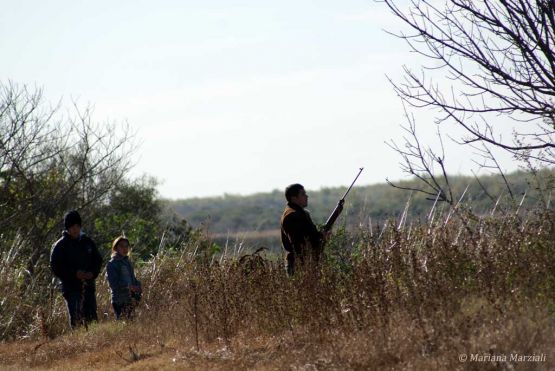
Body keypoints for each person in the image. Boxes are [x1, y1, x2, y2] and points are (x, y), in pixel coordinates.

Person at [50, 210, 103, 328]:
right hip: (71, 288)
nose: (75, 229)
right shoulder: (60, 245)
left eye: (77, 226)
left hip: (88, 286)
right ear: (67, 228)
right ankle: (77, 343)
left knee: (92, 317)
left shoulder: (88, 242)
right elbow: (56, 267)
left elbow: (98, 260)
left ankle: (95, 342)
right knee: (76, 317)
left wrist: (92, 273)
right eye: (72, 226)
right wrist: (74, 274)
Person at [280, 183, 332, 275]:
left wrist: (322, 237)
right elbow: (300, 243)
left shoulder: (300, 213)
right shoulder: (291, 215)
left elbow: (310, 236)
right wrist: (320, 237)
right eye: (303, 194)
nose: (306, 196)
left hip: (306, 262)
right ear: (294, 198)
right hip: (299, 265)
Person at [106, 236, 141, 320]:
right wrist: (128, 286)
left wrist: (138, 286)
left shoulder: (127, 262)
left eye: (126, 246)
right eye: (121, 246)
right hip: (119, 300)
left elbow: (133, 278)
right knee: (122, 323)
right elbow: (113, 284)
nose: (124, 249)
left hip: (130, 298)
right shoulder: (112, 264)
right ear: (116, 248)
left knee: (131, 325)